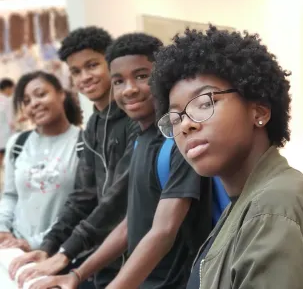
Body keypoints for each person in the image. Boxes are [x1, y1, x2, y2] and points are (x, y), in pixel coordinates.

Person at [151, 25, 303, 289]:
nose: (185, 125)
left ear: (260, 111)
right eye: (176, 116)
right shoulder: (246, 200)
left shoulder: (273, 206)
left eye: (204, 103)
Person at [28, 33, 213, 289]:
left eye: (141, 76)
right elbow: (130, 224)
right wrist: (76, 274)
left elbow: (163, 232)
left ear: (163, 77)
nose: (129, 89)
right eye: (119, 81)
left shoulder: (178, 143)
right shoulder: (140, 140)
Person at [9, 26, 140, 289]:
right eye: (76, 71)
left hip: (141, 258)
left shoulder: (136, 120)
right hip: (103, 259)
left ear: (111, 64)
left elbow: (119, 198)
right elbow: (83, 196)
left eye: (92, 65)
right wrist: (48, 248)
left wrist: (65, 253)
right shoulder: (93, 126)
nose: (85, 77)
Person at [0, 71, 82, 252]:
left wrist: (35, 243)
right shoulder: (18, 143)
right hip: (16, 251)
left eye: (41, 94)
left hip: (64, 254)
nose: (34, 104)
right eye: (26, 101)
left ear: (61, 94)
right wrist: (3, 229)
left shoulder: (83, 143)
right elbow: (10, 195)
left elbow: (86, 207)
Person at [0, 78, 15, 167]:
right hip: (6, 134)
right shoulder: (7, 101)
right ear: (7, 88)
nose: (12, 91)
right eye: (12, 88)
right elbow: (11, 121)